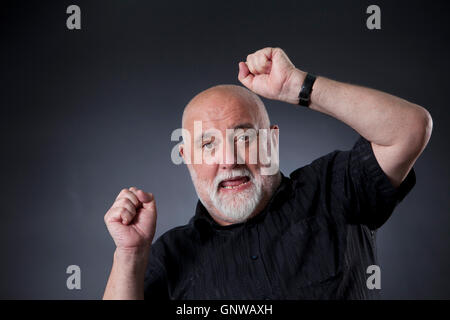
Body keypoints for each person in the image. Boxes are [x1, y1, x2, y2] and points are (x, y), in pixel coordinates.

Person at [102, 47, 432, 299]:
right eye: (208, 145)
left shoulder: (333, 188)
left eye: (244, 137)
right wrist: (129, 255)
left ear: (272, 141)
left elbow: (409, 130)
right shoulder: (170, 256)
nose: (229, 160)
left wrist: (299, 86)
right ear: (186, 156)